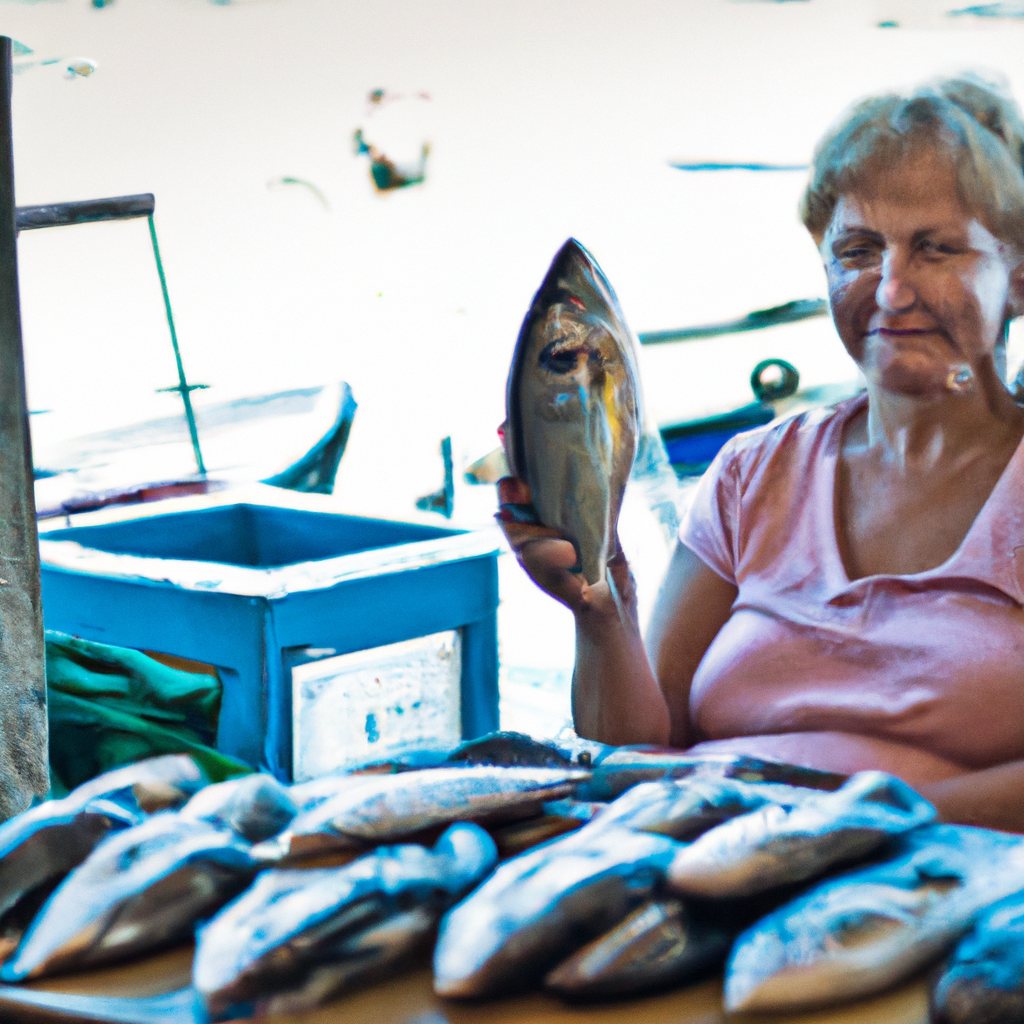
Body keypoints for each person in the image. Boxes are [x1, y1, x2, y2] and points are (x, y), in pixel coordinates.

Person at [499, 74, 1024, 832]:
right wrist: (599, 605)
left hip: (935, 903)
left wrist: (847, 826)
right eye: (860, 249)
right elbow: (641, 750)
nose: (891, 291)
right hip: (705, 879)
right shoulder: (755, 473)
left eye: (937, 249)